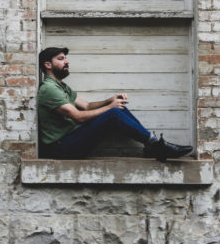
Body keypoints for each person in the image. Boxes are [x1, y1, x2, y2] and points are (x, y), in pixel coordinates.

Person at [37, 46, 193, 161]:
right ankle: (158, 146)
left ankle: (153, 146)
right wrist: (110, 108)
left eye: (65, 58)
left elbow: (87, 106)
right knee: (114, 113)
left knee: (119, 108)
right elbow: (78, 116)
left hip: (71, 140)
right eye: (61, 59)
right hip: (61, 148)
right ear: (48, 65)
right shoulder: (49, 89)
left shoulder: (61, 86)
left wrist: (110, 100)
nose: (67, 61)